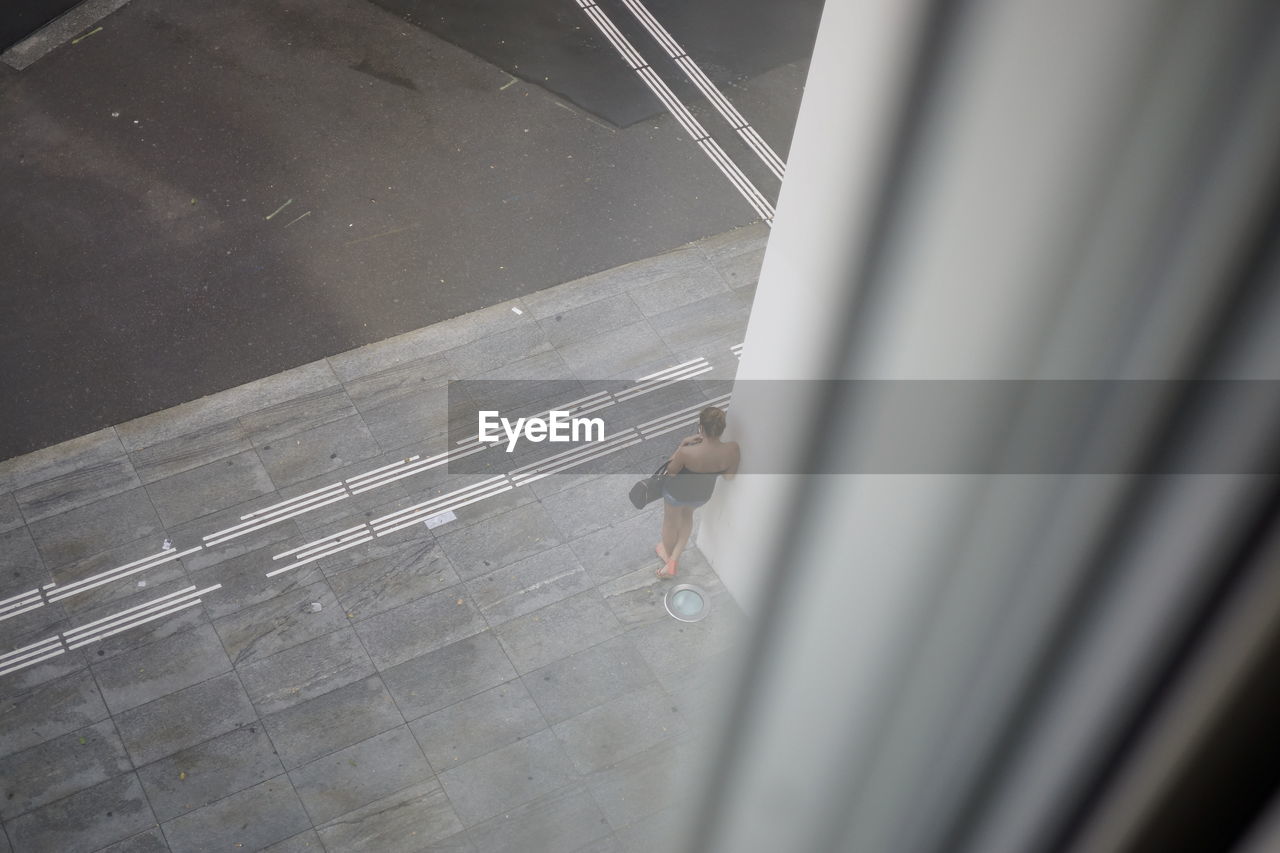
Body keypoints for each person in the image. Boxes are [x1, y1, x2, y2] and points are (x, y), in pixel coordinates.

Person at [656, 405, 739, 578]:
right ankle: (674, 561)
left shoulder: (687, 452)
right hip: (702, 495)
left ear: (701, 428)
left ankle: (668, 556)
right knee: (687, 517)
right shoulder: (732, 449)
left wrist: (681, 446)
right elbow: (729, 477)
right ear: (722, 428)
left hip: (676, 493)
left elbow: (671, 471)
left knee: (670, 522)